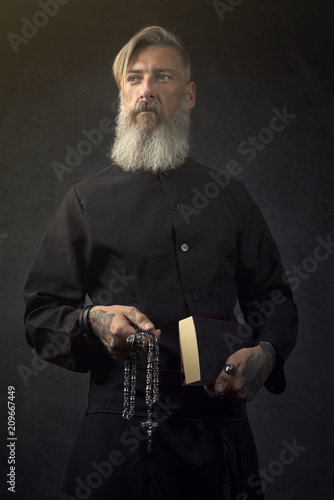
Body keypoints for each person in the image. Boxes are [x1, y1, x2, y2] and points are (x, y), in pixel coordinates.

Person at [23, 26, 298, 500]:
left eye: (162, 76)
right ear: (122, 94)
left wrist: (267, 354)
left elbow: (272, 297)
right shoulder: (85, 200)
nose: (146, 89)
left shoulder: (231, 196)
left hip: (220, 436)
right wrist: (94, 320)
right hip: (120, 437)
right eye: (134, 78)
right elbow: (41, 312)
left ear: (188, 95)